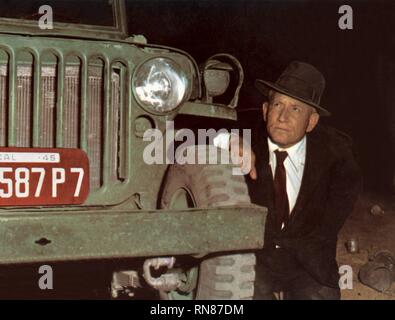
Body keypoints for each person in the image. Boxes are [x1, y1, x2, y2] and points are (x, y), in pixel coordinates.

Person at [214, 61, 362, 299]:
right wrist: (227, 141)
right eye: (277, 104)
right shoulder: (244, 135)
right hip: (253, 261)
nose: (282, 116)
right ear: (265, 110)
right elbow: (192, 133)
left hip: (308, 264)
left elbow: (332, 220)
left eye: (295, 109)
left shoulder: (338, 154)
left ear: (311, 121)